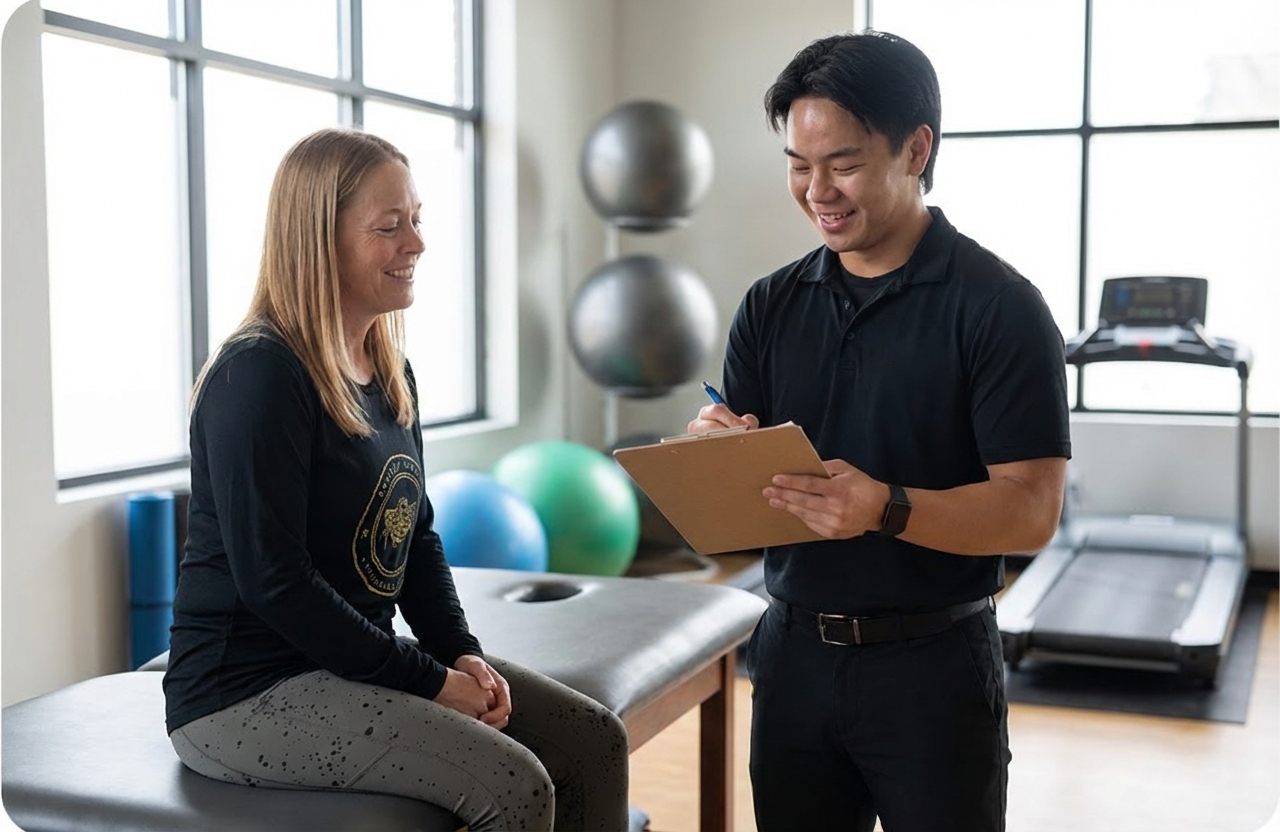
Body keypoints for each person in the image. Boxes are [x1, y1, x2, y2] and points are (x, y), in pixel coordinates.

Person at [163, 128, 629, 832]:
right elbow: (275, 582)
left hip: (349, 665)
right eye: (390, 226)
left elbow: (416, 538)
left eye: (416, 219)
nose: (416, 243)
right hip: (242, 694)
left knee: (593, 740)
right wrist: (429, 683)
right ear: (319, 240)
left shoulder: (387, 369)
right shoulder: (257, 376)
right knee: (514, 783)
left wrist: (459, 654)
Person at [686, 32, 1071, 832]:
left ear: (915, 150)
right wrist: (712, 456)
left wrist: (886, 507)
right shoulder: (769, 304)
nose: (817, 190)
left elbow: (1032, 511)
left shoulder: (1001, 308)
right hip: (791, 655)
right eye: (799, 163)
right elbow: (737, 509)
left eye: (844, 163)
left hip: (932, 669)